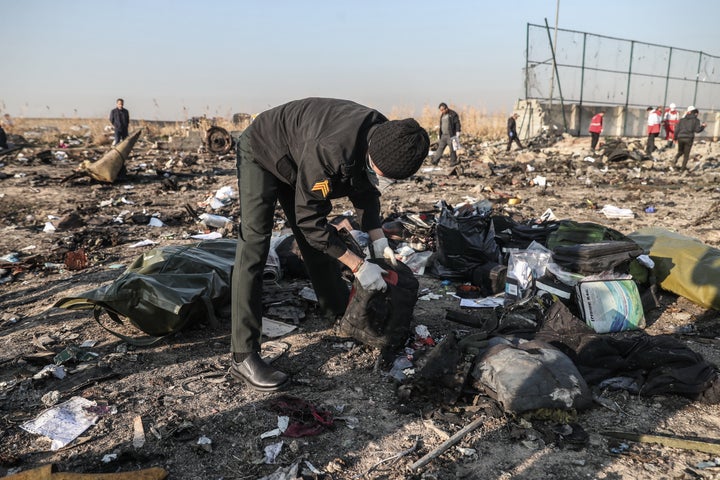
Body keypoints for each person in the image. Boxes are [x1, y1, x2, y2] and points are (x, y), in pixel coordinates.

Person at [230, 97, 430, 391]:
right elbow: (310, 220)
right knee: (255, 245)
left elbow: (366, 189)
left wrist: (378, 241)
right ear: (372, 156)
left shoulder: (385, 135)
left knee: (318, 243)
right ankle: (243, 354)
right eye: (382, 175)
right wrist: (358, 265)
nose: (382, 181)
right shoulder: (332, 149)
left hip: (299, 156)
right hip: (264, 149)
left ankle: (337, 311)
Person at [673, 106, 706, 170]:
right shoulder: (696, 120)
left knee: (680, 151)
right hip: (689, 138)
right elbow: (697, 130)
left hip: (680, 137)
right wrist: (703, 126)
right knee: (686, 154)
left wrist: (675, 138)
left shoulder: (681, 120)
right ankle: (682, 169)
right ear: (695, 113)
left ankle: (676, 158)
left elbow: (677, 129)